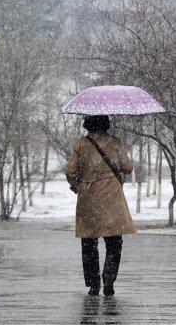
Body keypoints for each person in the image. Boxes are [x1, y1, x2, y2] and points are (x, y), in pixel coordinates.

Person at [66, 115, 136, 296]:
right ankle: (109, 281)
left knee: (89, 242)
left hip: (88, 198)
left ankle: (93, 285)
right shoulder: (115, 142)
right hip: (112, 198)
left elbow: (71, 171)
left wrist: (76, 184)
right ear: (106, 124)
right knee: (114, 242)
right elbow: (127, 167)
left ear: (87, 124)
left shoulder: (80, 144)